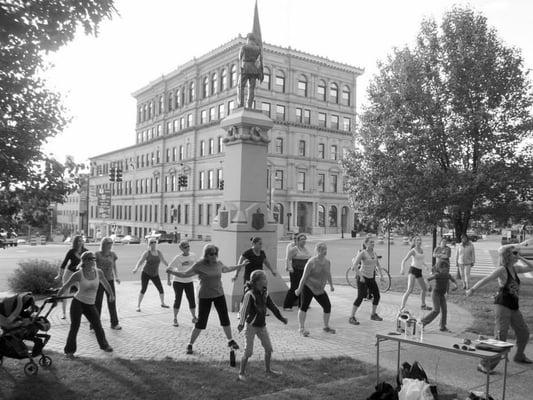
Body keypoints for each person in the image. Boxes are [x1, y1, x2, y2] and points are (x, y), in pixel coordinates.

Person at [166, 244, 248, 354]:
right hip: (205, 296)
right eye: (211, 254)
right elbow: (185, 274)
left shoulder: (218, 264)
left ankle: (230, 340)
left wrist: (240, 266)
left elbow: (227, 269)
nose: (214, 256)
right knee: (201, 322)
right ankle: (190, 344)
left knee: (225, 318)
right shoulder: (199, 265)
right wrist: (172, 272)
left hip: (219, 294)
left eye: (215, 253)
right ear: (206, 255)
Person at [467, 245, 533, 373]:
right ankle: (484, 364)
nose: (517, 254)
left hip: (514, 307)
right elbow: (487, 278)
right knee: (500, 339)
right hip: (502, 306)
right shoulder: (502, 270)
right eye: (514, 253)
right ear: (508, 255)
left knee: (524, 333)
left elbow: (532, 267)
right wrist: (473, 289)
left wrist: (521, 257)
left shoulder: (515, 268)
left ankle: (519, 356)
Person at [57, 251, 114, 357]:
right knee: (75, 327)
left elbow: (106, 284)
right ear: (85, 261)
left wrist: (111, 295)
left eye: (94, 259)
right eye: (90, 259)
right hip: (78, 303)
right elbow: (65, 286)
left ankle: (104, 346)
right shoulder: (78, 274)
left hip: (90, 305)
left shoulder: (99, 272)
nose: (93, 261)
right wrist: (57, 298)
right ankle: (69, 352)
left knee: (97, 325)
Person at [237, 270, 288, 382]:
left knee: (269, 349)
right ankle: (241, 373)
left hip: (262, 327)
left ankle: (268, 370)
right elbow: (244, 311)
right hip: (251, 327)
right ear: (257, 281)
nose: (266, 280)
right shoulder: (249, 294)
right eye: (264, 278)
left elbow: (273, 307)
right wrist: (241, 324)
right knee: (248, 352)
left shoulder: (265, 293)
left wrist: (282, 318)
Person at [294, 242, 335, 337]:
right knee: (304, 306)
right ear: (317, 251)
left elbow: (328, 274)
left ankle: (326, 326)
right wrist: (299, 289)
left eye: (325, 249)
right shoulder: (311, 262)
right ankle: (301, 328)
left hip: (320, 289)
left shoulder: (327, 262)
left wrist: (331, 285)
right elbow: (304, 277)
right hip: (309, 287)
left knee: (327, 306)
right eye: (322, 249)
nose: (324, 251)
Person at [348, 237, 384, 325]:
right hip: (362, 278)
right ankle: (351, 317)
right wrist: (360, 276)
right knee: (360, 297)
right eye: (371, 242)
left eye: (373, 242)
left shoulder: (374, 253)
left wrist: (381, 276)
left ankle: (373, 314)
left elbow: (378, 265)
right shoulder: (363, 253)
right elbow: (354, 266)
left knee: (377, 296)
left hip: (371, 278)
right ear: (366, 244)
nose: (373, 243)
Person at [55, 235, 88, 319]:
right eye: (78, 241)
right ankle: (64, 313)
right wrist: (59, 274)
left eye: (81, 240)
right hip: (69, 273)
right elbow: (64, 263)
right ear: (75, 242)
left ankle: (85, 311)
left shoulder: (85, 251)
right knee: (65, 292)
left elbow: (88, 264)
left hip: (78, 275)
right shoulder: (71, 251)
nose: (80, 242)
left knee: (83, 291)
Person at [132, 239, 170, 311]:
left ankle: (162, 303)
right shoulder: (147, 253)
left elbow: (164, 261)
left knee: (160, 288)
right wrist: (136, 268)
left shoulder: (159, 252)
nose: (153, 244)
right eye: (151, 242)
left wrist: (170, 266)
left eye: (154, 242)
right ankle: (138, 306)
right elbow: (140, 261)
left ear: (156, 243)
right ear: (149, 244)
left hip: (155, 274)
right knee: (143, 289)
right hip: (146, 273)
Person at [167, 240, 198, 327]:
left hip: (189, 281)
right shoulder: (178, 258)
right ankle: (175, 318)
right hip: (178, 281)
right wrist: (168, 280)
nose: (187, 248)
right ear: (181, 249)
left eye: (188, 246)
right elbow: (169, 268)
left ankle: (194, 317)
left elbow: (197, 266)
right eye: (185, 247)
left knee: (191, 299)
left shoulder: (193, 256)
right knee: (178, 299)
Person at [420, 260, 458, 332]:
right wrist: (429, 286)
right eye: (442, 268)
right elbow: (426, 279)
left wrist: (456, 286)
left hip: (442, 295)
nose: (444, 269)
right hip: (436, 294)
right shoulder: (437, 275)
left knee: (444, 310)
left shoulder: (448, 275)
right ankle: (423, 322)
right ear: (438, 269)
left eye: (446, 268)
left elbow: (454, 281)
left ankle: (442, 326)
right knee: (436, 310)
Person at [94, 237, 121, 330]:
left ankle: (114, 323)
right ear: (104, 244)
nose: (110, 245)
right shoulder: (97, 254)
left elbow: (114, 266)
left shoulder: (112, 254)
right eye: (108, 243)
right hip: (100, 281)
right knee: (98, 303)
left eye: (111, 243)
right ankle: (94, 325)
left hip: (109, 280)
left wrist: (116, 277)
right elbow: (93, 267)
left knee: (112, 301)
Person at [399, 236, 432, 311]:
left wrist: (426, 266)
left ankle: (423, 306)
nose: (419, 241)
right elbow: (404, 260)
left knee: (424, 289)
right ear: (415, 242)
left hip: (419, 271)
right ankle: (402, 307)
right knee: (410, 289)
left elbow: (421, 260)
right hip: (413, 270)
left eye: (420, 240)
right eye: (417, 240)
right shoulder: (413, 251)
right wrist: (402, 269)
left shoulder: (421, 250)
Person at [283, 233, 311, 311]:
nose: (304, 241)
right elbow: (288, 259)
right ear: (298, 241)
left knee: (303, 287)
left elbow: (309, 258)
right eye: (302, 240)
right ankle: (287, 305)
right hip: (295, 270)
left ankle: (301, 304)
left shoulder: (306, 249)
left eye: (305, 239)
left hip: (304, 271)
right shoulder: (294, 249)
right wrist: (289, 268)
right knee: (294, 287)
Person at [237, 32, 263, 108]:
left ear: (248, 39)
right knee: (251, 88)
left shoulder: (244, 47)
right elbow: (260, 59)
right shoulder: (258, 48)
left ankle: (240, 104)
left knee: (240, 86)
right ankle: (249, 105)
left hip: (245, 67)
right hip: (254, 70)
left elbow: (239, 57)